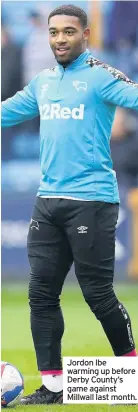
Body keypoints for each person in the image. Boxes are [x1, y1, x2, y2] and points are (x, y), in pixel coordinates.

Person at [1, 4, 138, 406]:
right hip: (48, 202)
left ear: (86, 35)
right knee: (40, 294)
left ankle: (131, 372)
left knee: (98, 295)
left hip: (92, 201)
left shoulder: (100, 77)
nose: (60, 38)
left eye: (68, 32)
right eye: (54, 32)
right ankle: (53, 388)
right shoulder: (43, 82)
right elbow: (8, 111)